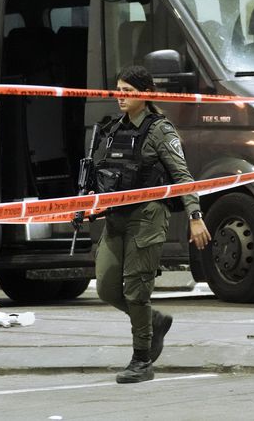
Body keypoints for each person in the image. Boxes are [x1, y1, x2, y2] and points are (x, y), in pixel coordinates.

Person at [93, 65, 211, 384]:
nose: (121, 97)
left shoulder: (160, 130)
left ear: (144, 95)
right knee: (105, 287)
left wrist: (195, 216)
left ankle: (141, 360)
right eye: (118, 90)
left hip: (146, 219)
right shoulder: (114, 129)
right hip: (115, 219)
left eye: (128, 92)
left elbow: (183, 175)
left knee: (136, 292)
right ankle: (154, 322)